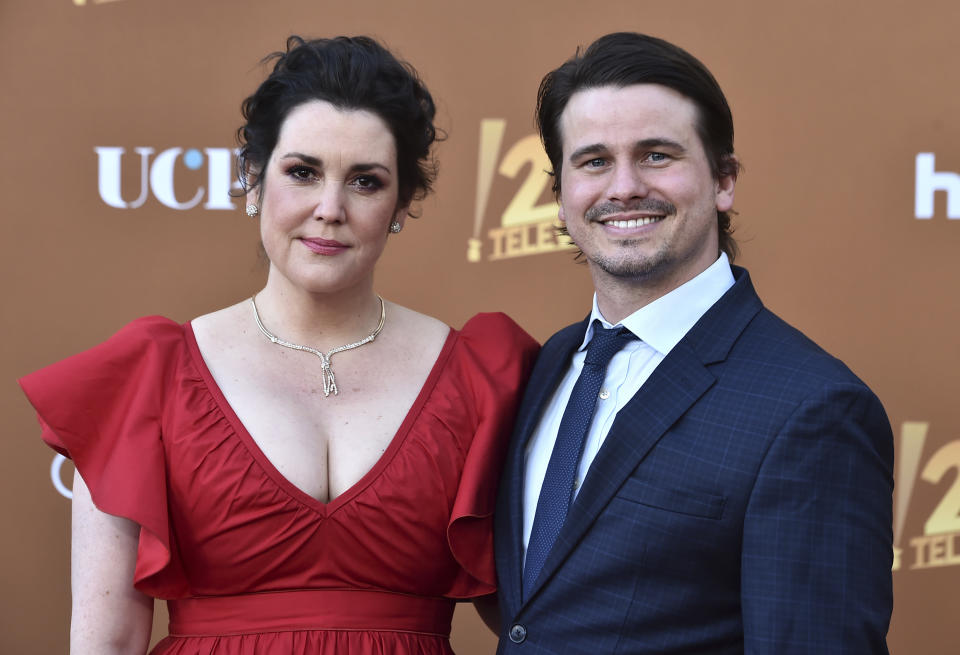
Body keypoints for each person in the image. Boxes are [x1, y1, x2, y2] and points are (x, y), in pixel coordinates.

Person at [20, 35, 537, 655]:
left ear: (401, 205)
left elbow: (543, 617)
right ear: (253, 182)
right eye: (302, 172)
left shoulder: (484, 377)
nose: (329, 208)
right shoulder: (147, 378)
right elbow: (105, 642)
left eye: (366, 182)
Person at [494, 32, 893, 654]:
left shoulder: (813, 408)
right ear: (560, 195)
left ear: (723, 180)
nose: (623, 187)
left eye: (656, 155)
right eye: (594, 161)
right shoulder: (548, 366)